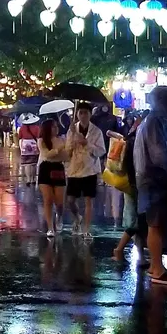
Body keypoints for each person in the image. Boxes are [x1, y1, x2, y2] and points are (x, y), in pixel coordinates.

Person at [133, 85, 167, 284]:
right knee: (155, 224)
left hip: (151, 180)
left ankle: (158, 266)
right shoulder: (156, 121)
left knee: (157, 224)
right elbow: (158, 153)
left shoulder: (155, 119)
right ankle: (157, 268)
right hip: (154, 180)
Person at [64, 100, 107, 238]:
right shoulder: (72, 130)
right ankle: (77, 217)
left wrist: (87, 143)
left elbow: (101, 151)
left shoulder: (97, 131)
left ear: (90, 114)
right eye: (80, 113)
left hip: (90, 169)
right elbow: (67, 150)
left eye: (86, 113)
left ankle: (86, 229)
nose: (83, 115)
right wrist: (72, 141)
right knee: (70, 200)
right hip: (74, 169)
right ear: (77, 114)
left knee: (89, 200)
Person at [110, 113, 144, 262]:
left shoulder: (130, 139)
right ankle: (119, 249)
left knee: (137, 221)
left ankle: (141, 256)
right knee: (136, 221)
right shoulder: (136, 142)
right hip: (134, 184)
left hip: (130, 183)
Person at [36, 116, 68, 236]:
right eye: (53, 126)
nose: (56, 128)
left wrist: (57, 152)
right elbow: (46, 154)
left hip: (58, 168)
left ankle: (59, 215)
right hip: (45, 169)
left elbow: (65, 157)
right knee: (48, 199)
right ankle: (50, 227)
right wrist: (58, 150)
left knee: (59, 202)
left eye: (56, 126)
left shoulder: (62, 139)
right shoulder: (42, 140)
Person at [17, 121, 39, 187]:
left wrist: (21, 148)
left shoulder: (22, 128)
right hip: (33, 145)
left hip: (25, 145)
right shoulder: (37, 127)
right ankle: (33, 179)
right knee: (33, 164)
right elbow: (38, 137)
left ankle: (28, 180)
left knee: (27, 164)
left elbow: (20, 138)